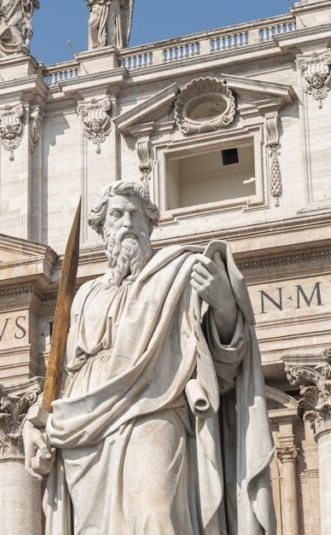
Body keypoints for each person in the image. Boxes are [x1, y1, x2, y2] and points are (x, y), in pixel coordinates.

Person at [25, 181, 276, 534]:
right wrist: (35, 422)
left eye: (134, 214)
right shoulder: (84, 296)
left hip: (155, 406)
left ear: (149, 225)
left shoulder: (178, 274)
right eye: (117, 214)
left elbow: (222, 366)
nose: (126, 223)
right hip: (84, 425)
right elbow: (64, 375)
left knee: (157, 514)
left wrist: (223, 306)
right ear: (102, 228)